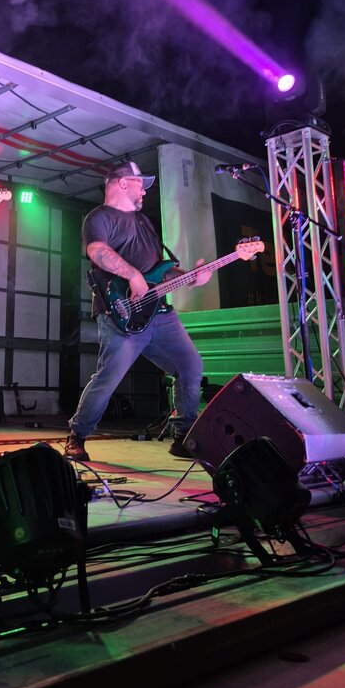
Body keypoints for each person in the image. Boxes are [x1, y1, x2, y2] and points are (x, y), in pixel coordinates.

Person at [65, 161, 211, 462]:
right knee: (108, 377)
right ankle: (77, 434)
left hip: (160, 313)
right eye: (139, 183)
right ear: (122, 183)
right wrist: (132, 275)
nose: (144, 190)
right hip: (121, 311)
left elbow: (161, 271)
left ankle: (184, 436)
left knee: (190, 365)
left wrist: (191, 277)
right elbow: (97, 251)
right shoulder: (99, 217)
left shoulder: (144, 222)